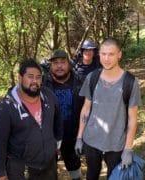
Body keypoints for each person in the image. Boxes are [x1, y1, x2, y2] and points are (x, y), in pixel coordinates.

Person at [75, 37, 141, 180]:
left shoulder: (130, 82)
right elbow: (86, 109)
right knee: (92, 174)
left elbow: (133, 119)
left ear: (119, 54)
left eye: (111, 54)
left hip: (116, 142)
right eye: (103, 54)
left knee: (114, 176)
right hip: (91, 139)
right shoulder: (92, 77)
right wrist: (79, 137)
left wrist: (128, 149)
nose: (106, 58)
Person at [0, 59, 63, 180]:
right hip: (21, 169)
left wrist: (54, 145)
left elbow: (58, 122)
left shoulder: (49, 96)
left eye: (38, 77)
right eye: (30, 77)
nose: (35, 81)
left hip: (48, 165)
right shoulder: (5, 108)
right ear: (20, 77)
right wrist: (0, 173)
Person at [43, 49, 84, 180]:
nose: (59, 66)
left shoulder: (79, 81)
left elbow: (88, 107)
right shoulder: (43, 83)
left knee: (74, 163)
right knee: (48, 167)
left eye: (63, 62)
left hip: (72, 132)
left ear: (69, 63)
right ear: (50, 66)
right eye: (55, 63)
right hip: (49, 133)